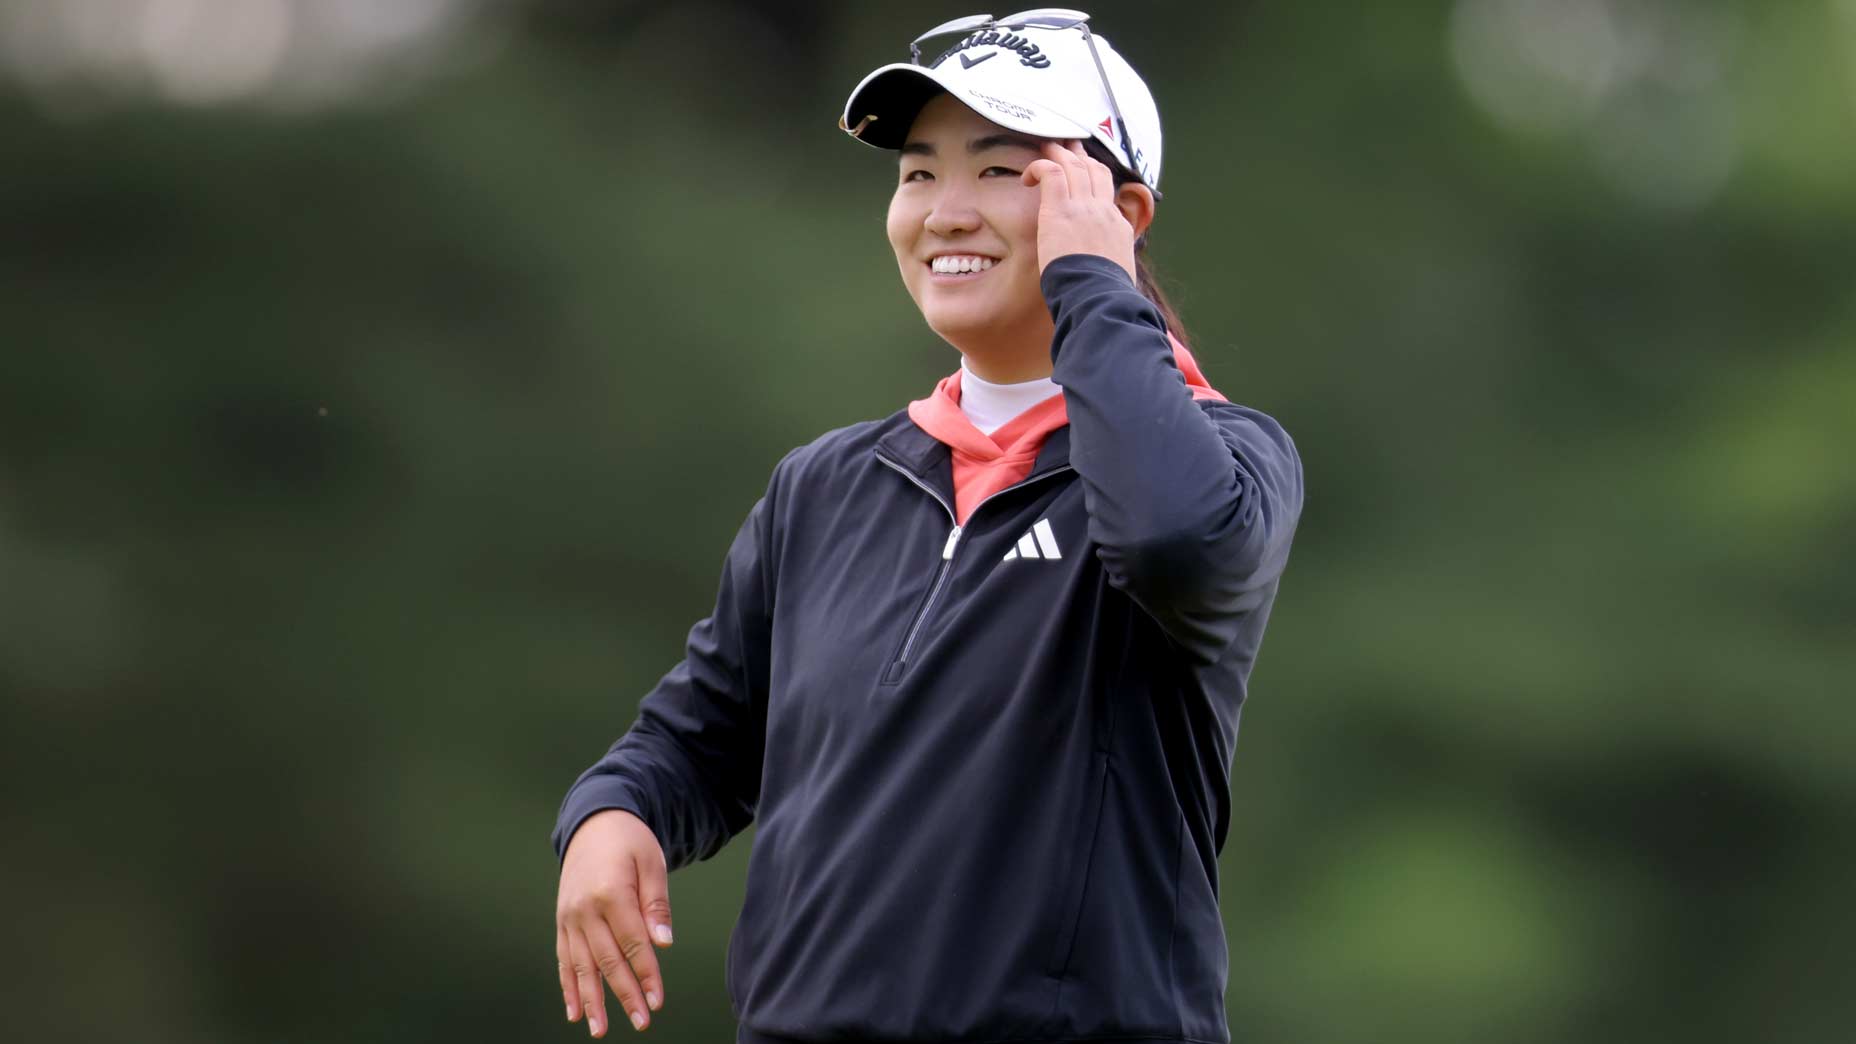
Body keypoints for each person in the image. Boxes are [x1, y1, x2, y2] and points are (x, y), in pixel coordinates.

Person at [550, 10, 1302, 1043]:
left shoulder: (1221, 461)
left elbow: (1171, 539)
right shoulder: (824, 485)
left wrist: (1092, 277)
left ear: (1119, 210)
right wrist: (609, 814)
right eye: (916, 174)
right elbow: (696, 739)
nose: (944, 211)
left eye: (1002, 172)